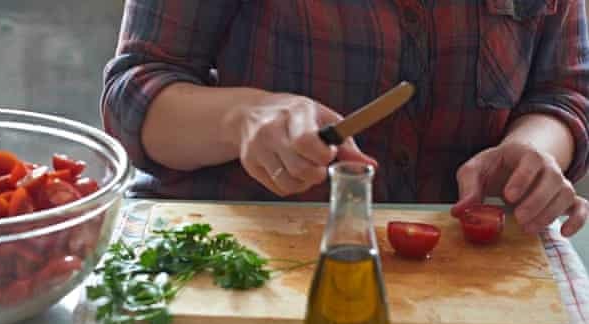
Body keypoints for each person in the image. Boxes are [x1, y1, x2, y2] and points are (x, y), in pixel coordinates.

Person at [102, 0, 589, 237]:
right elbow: (134, 96)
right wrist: (243, 117)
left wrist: (534, 151)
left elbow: (563, 93)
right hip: (241, 263)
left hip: (462, 278)